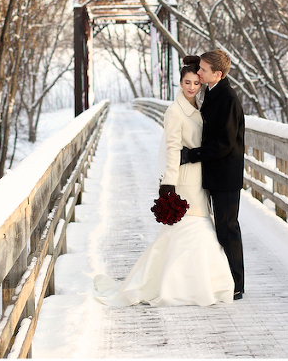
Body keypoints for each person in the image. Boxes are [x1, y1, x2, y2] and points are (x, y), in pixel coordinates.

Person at [94, 56, 235, 306]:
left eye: (196, 82)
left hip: (199, 179)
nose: (191, 87)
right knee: (194, 231)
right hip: (184, 181)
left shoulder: (199, 107)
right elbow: (173, 149)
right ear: (180, 83)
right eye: (187, 82)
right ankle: (192, 287)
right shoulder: (174, 111)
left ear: (201, 84)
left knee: (184, 233)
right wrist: (168, 185)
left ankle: (194, 284)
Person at [180, 50, 246, 300]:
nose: (198, 73)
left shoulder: (227, 98)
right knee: (221, 229)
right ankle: (225, 279)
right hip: (215, 174)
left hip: (226, 175)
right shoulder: (213, 91)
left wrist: (192, 155)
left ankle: (236, 284)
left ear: (217, 74)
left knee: (228, 228)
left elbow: (225, 143)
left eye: (203, 70)